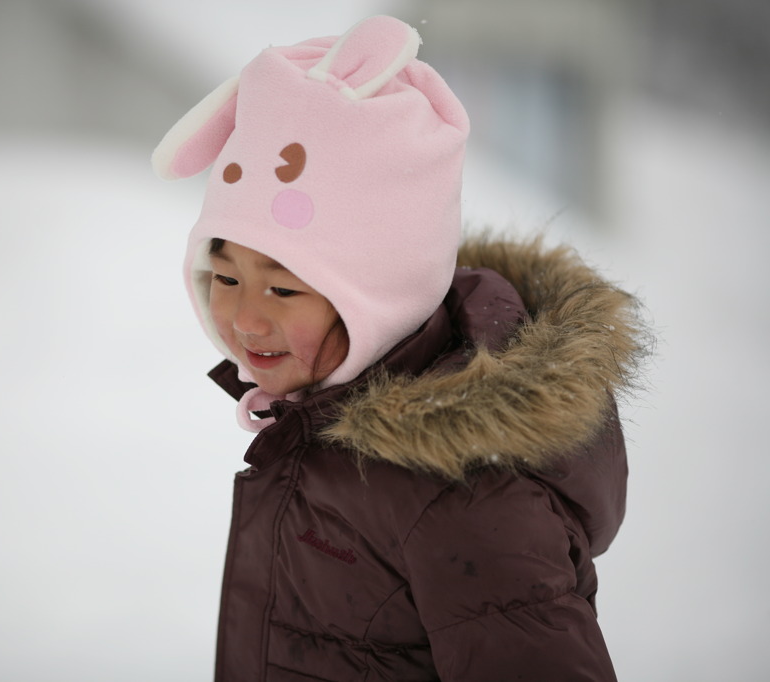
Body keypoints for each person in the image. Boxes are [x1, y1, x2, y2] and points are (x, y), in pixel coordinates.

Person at [152, 15, 648, 682]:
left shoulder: (461, 499)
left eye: (285, 291)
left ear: (378, 292)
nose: (244, 316)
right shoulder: (319, 426)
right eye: (228, 278)